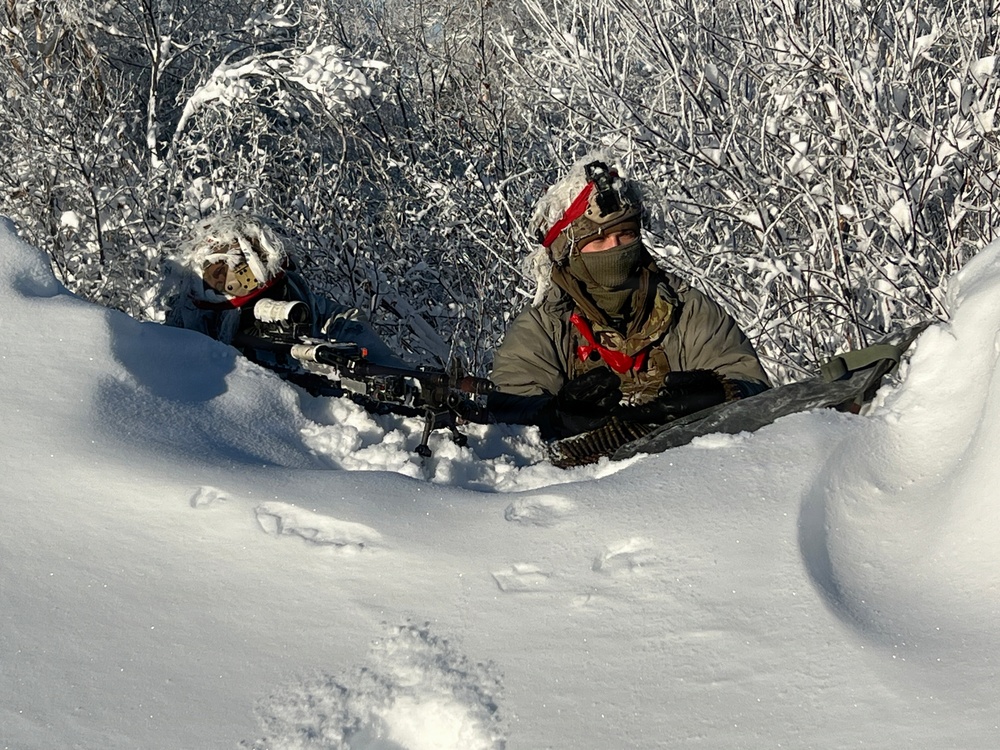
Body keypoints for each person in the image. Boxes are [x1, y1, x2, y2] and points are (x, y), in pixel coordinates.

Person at [488, 153, 770, 442]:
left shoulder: (685, 307)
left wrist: (723, 392)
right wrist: (556, 417)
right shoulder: (545, 326)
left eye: (626, 234)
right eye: (598, 241)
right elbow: (508, 416)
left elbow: (753, 386)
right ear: (568, 253)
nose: (616, 249)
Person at [164, 212, 404, 386]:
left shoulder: (289, 293)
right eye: (218, 271)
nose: (232, 279)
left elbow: (343, 323)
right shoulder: (192, 315)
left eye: (240, 265)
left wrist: (391, 372)